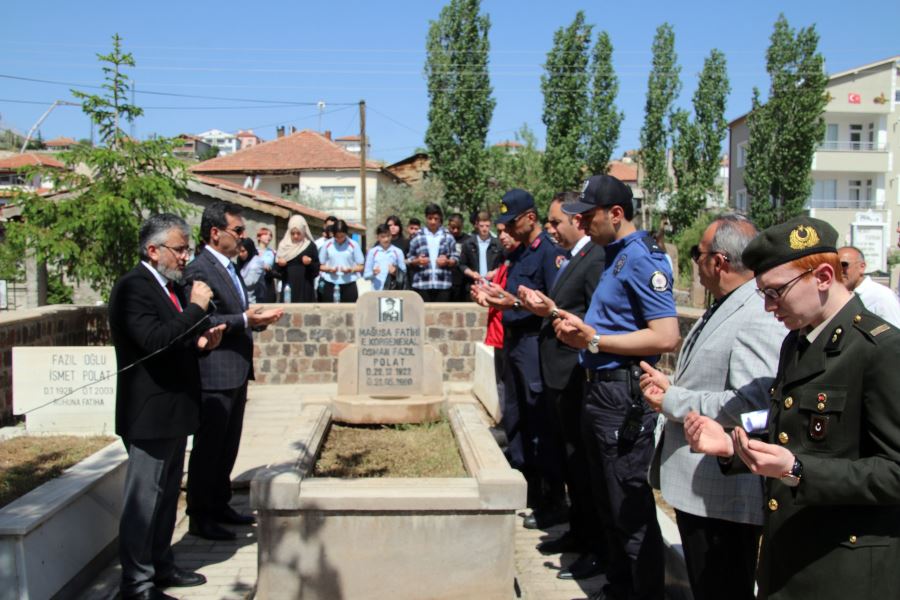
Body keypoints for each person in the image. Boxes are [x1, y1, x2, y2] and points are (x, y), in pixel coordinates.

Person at [685, 217, 900, 600]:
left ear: (823, 277)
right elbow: (790, 430)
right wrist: (732, 447)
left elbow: (894, 473)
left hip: (843, 572)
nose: (768, 307)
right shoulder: (798, 341)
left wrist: (798, 470)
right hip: (788, 560)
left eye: (775, 292)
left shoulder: (880, 350)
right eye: (763, 294)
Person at [637, 215, 785, 600]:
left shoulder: (757, 313)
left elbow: (753, 402)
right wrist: (673, 387)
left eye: (697, 254)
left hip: (724, 494)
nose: (695, 263)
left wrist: (673, 400)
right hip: (704, 490)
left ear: (718, 262)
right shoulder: (728, 303)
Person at [551, 174, 680, 600]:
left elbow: (665, 336)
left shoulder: (642, 258)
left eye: (589, 216)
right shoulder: (614, 255)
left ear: (616, 214)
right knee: (607, 502)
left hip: (621, 395)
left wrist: (594, 340)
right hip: (599, 390)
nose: (582, 223)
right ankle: (619, 587)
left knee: (628, 506)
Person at [109, 214, 225, 600]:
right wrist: (196, 309)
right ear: (153, 250)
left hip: (174, 412)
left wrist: (201, 342)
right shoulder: (133, 287)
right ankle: (136, 584)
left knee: (165, 499)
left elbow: (175, 340)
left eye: (187, 249)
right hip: (149, 413)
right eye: (179, 249)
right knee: (144, 502)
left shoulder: (167, 286)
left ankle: (161, 565)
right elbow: (153, 340)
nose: (185, 257)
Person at [517, 191, 607, 581]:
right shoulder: (573, 257)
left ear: (577, 220)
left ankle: (595, 546)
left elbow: (594, 317)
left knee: (584, 466)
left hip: (575, 372)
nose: (550, 229)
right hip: (559, 374)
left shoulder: (595, 258)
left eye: (556, 222)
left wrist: (550, 309)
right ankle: (579, 532)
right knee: (571, 460)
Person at [184, 201, 283, 541]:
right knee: (209, 448)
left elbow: (235, 312)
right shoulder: (200, 269)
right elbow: (202, 319)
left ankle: (219, 503)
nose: (243, 236)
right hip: (214, 371)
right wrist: (244, 319)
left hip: (235, 370)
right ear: (215, 233)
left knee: (227, 446)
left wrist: (254, 320)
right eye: (237, 230)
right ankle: (201, 515)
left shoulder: (228, 266)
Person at [472, 189, 566, 527]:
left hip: (534, 344)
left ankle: (552, 499)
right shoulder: (520, 254)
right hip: (513, 342)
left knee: (539, 420)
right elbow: (512, 297)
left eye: (512, 223)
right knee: (516, 416)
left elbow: (554, 306)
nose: (507, 230)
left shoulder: (549, 255)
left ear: (530, 218)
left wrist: (509, 303)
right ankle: (527, 487)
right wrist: (494, 297)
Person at [406, 204, 459, 302]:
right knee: (422, 312)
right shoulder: (417, 236)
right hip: (422, 284)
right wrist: (417, 261)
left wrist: (447, 261)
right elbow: (409, 259)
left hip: (443, 284)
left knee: (442, 311)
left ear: (440, 219)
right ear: (426, 218)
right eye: (430, 218)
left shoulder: (448, 237)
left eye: (436, 219)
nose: (433, 222)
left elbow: (455, 258)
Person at [837, 245, 900, 327]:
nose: (838, 270)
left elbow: (895, 333)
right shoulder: (836, 296)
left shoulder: (882, 297)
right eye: (834, 266)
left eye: (843, 265)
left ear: (862, 267)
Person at [459, 210, 503, 300]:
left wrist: (494, 272)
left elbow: (505, 263)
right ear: (477, 225)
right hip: (473, 286)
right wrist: (472, 274)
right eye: (481, 226)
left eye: (487, 226)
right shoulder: (468, 244)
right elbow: (462, 265)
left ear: (491, 225)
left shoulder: (498, 244)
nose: (484, 229)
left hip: (492, 286)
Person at [276, 214, 320, 303]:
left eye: (298, 233)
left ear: (303, 231)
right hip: (288, 289)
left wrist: (309, 264)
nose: (295, 236)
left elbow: (316, 271)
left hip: (305, 290)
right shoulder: (283, 247)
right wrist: (280, 265)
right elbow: (276, 272)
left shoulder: (310, 246)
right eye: (292, 233)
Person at [318, 219, 364, 303]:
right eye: (337, 236)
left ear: (346, 233)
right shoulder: (327, 244)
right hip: (330, 282)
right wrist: (329, 269)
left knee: (349, 309)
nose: (339, 239)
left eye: (342, 236)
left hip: (349, 282)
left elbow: (361, 266)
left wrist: (351, 269)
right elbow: (320, 265)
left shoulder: (353, 245)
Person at [364, 223, 407, 291]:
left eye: (388, 236)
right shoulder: (372, 252)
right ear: (378, 237)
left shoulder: (398, 252)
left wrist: (395, 272)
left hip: (393, 291)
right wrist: (373, 273)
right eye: (383, 237)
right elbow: (366, 276)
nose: (386, 239)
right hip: (376, 292)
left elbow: (404, 273)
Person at [447, 212, 471, 301]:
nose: (455, 230)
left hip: (464, 282)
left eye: (458, 228)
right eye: (453, 227)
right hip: (448, 281)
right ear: (448, 225)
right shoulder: (443, 239)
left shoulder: (468, 240)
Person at [236, 238, 267, 304]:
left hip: (254, 301)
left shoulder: (256, 262)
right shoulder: (243, 262)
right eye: (239, 251)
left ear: (249, 249)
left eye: (243, 251)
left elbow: (249, 282)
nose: (240, 254)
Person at [255, 227, 277, 302]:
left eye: (270, 235)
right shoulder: (254, 251)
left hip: (268, 281)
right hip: (256, 281)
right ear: (259, 237)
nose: (269, 237)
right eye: (266, 234)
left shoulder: (273, 252)